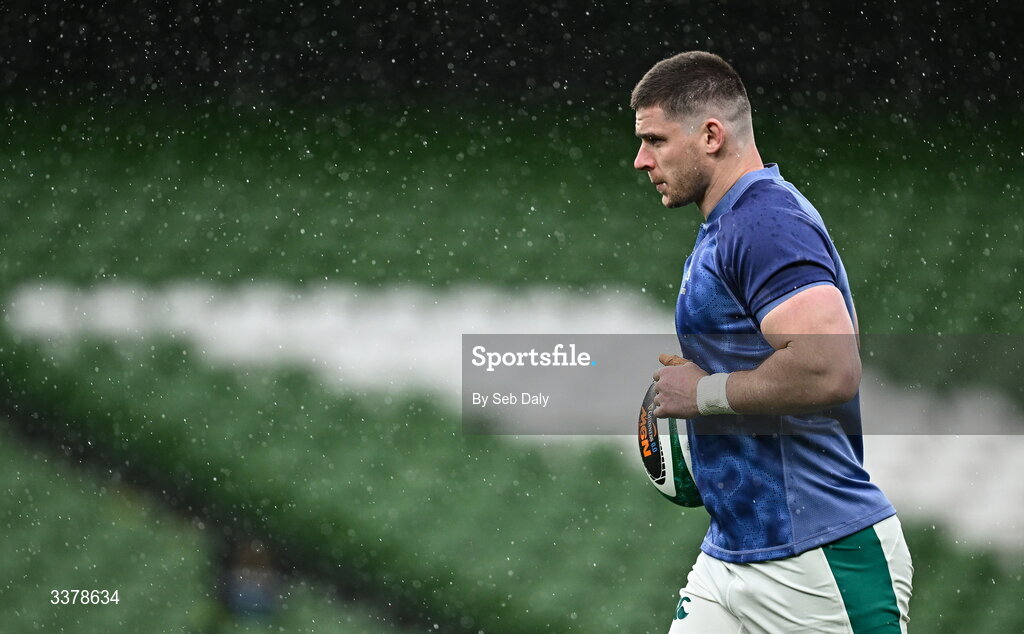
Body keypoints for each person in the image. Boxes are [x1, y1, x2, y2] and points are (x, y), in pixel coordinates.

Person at [631, 51, 913, 633]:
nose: (641, 160)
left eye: (655, 140)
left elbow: (830, 369)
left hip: (821, 559)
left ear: (711, 135)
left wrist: (705, 392)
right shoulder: (730, 225)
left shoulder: (763, 224)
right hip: (731, 555)